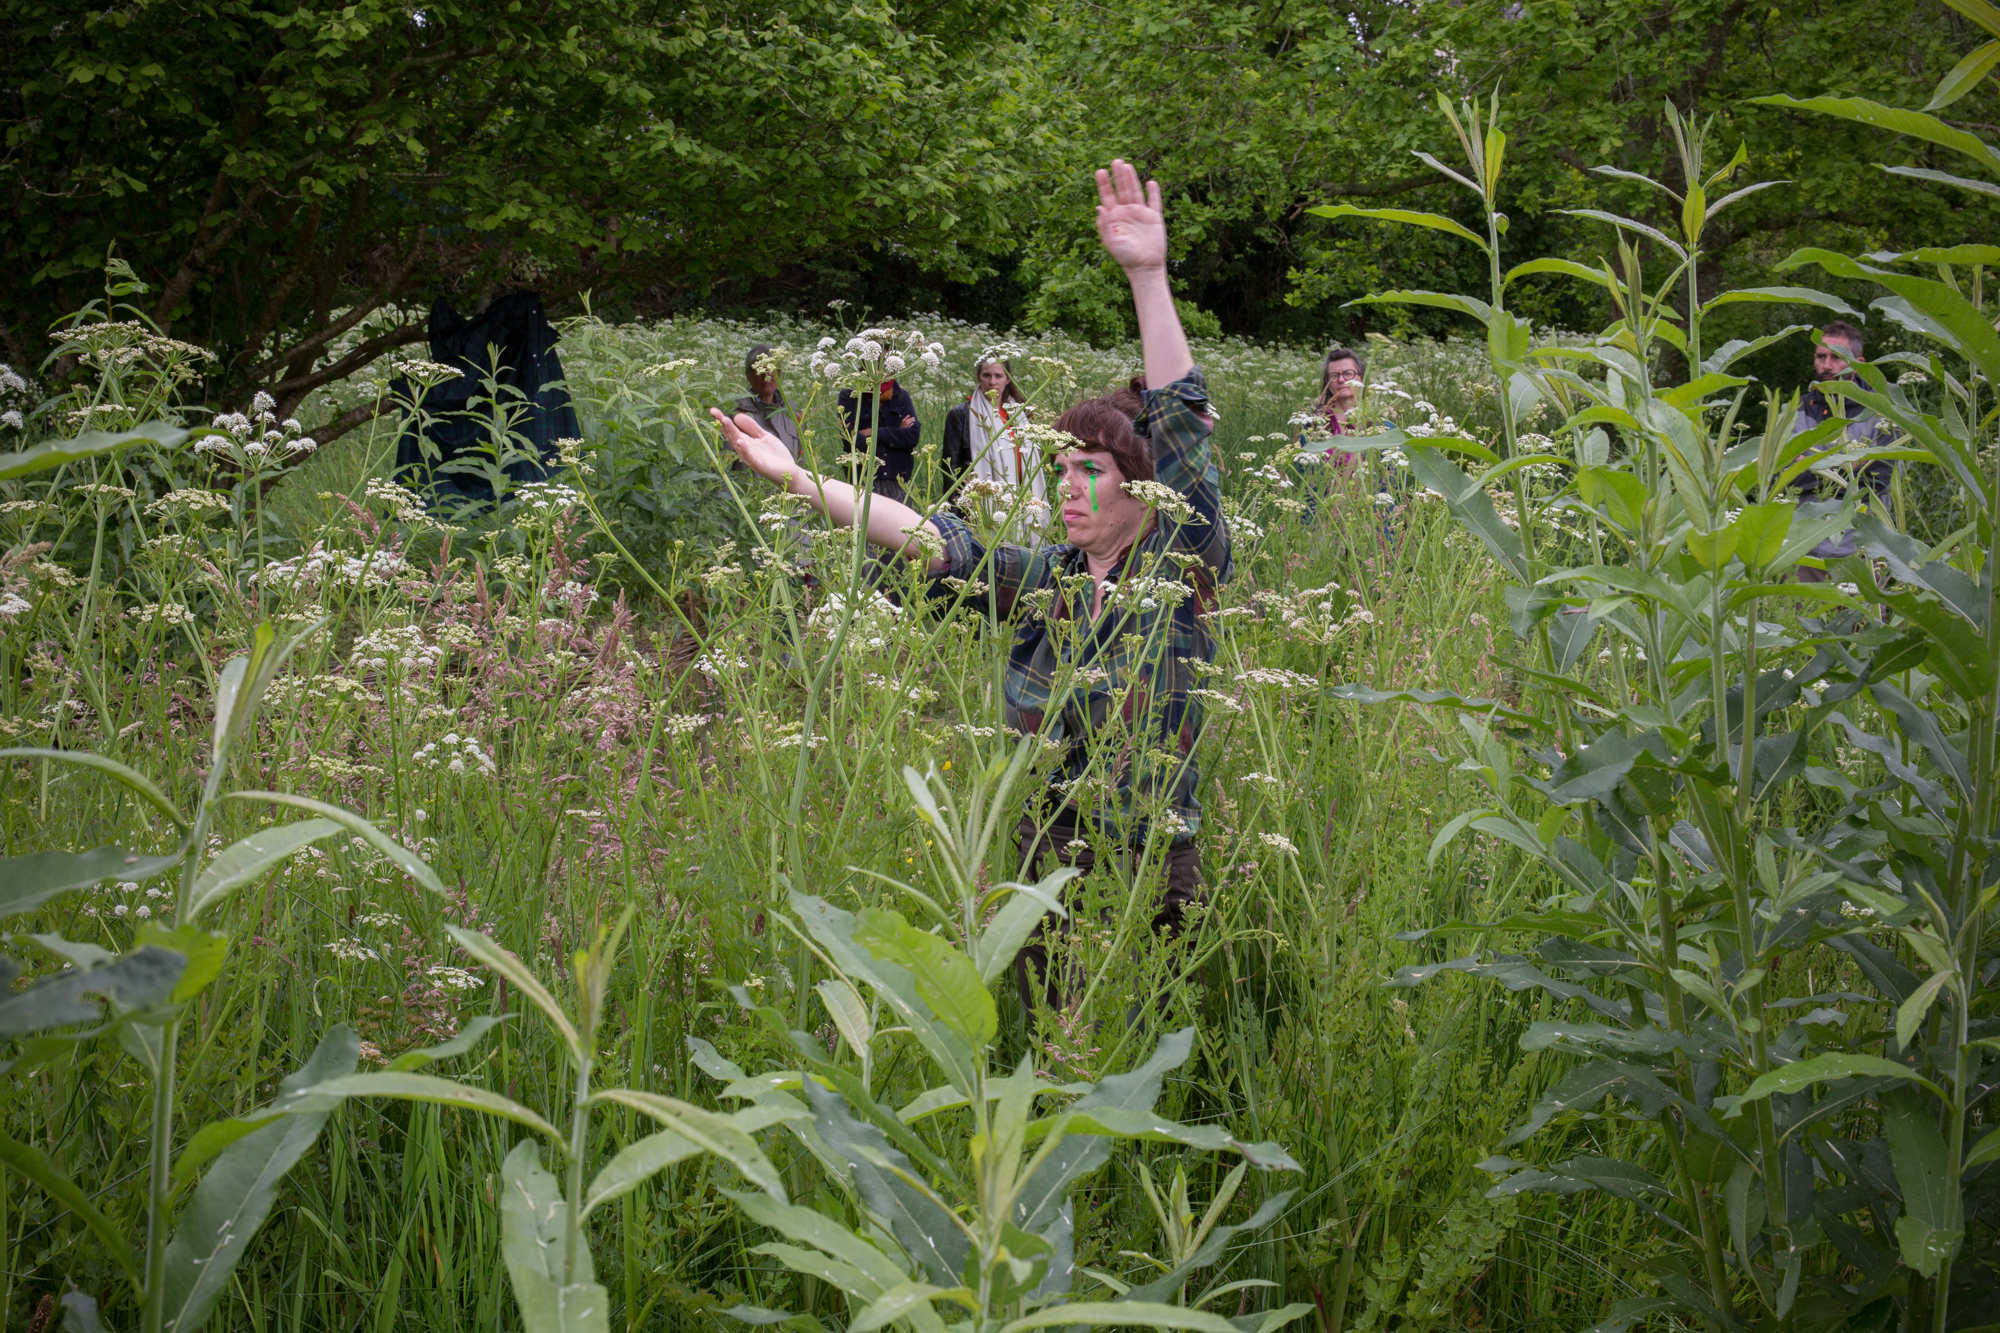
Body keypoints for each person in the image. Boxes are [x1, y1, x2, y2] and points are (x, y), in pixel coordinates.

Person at [712, 160, 1228, 1016]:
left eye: (1088, 470)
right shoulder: (1047, 579)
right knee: (1047, 1022)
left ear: (1142, 487)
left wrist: (1148, 276)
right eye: (1058, 468)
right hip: (1047, 846)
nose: (1066, 485)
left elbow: (1181, 419)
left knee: (1147, 1027)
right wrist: (801, 481)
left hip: (1152, 855)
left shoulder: (1183, 565)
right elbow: (931, 539)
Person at [1788, 321, 1898, 582]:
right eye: (1821, 356)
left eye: (1837, 357)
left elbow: (1877, 478)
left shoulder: (1882, 412)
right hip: (1804, 552)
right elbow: (1782, 475)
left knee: (1865, 623)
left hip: (1863, 554)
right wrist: (1851, 467)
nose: (1827, 365)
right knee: (1797, 623)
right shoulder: (1797, 410)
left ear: (1858, 362)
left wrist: (1811, 462)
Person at [942, 358, 1048, 535]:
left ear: (1008, 379)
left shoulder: (1020, 414)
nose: (992, 382)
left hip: (1022, 497)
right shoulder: (961, 414)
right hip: (980, 504)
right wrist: (954, 515)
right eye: (987, 375)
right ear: (978, 377)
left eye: (998, 376)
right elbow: (950, 470)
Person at [837, 376, 921, 503]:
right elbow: (851, 441)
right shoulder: (850, 395)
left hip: (898, 482)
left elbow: (912, 437)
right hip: (863, 481)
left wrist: (871, 432)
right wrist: (897, 434)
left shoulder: (901, 395)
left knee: (901, 523)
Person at [729, 344, 801, 457]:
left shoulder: (794, 412)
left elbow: (803, 458)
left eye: (771, 369)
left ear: (779, 373)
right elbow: (724, 459)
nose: (766, 376)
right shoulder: (736, 413)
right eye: (759, 370)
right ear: (748, 375)